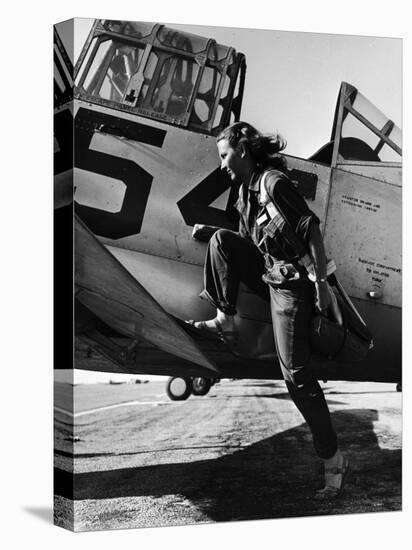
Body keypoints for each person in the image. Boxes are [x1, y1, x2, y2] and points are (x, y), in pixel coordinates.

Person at [189, 121, 349, 499]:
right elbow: (247, 243)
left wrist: (322, 288)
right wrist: (210, 231)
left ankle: (333, 457)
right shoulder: (244, 194)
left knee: (295, 375)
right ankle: (225, 319)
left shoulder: (273, 183)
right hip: (268, 275)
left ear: (242, 151)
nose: (223, 165)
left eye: (225, 156)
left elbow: (311, 229)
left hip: (292, 287)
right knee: (221, 241)